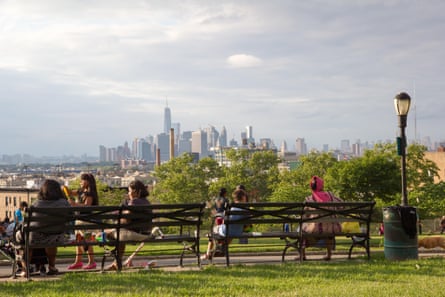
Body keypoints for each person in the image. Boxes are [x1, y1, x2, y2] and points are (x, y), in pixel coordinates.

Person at [18, 179, 70, 277]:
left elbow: (28, 222)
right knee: (50, 237)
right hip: (57, 237)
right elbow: (70, 216)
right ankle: (52, 267)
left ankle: (25, 269)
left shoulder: (36, 204)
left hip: (36, 237)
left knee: (27, 237)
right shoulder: (64, 203)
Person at [104, 180, 154, 271]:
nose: (128, 193)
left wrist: (119, 217)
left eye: (129, 191)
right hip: (145, 233)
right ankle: (116, 262)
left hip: (136, 234)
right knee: (119, 235)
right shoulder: (146, 202)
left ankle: (106, 244)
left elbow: (126, 220)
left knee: (102, 234)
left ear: (136, 191)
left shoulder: (134, 202)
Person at [301, 176, 343, 261]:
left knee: (302, 229)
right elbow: (342, 206)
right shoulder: (331, 196)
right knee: (328, 230)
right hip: (334, 228)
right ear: (322, 186)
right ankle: (329, 254)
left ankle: (302, 255)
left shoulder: (310, 199)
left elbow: (305, 215)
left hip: (316, 229)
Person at [201, 189, 246, 261]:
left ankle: (208, 253)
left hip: (224, 227)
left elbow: (222, 217)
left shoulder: (230, 206)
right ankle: (221, 248)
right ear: (243, 197)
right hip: (238, 232)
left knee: (213, 232)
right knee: (229, 230)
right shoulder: (246, 209)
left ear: (234, 197)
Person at [67, 173, 99, 270]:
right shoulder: (81, 191)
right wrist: (65, 189)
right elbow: (71, 193)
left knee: (87, 240)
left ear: (88, 182)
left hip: (86, 221)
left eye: (82, 180)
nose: (80, 182)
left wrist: (74, 204)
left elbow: (87, 206)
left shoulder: (89, 193)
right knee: (78, 239)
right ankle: (78, 261)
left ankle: (92, 262)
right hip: (80, 220)